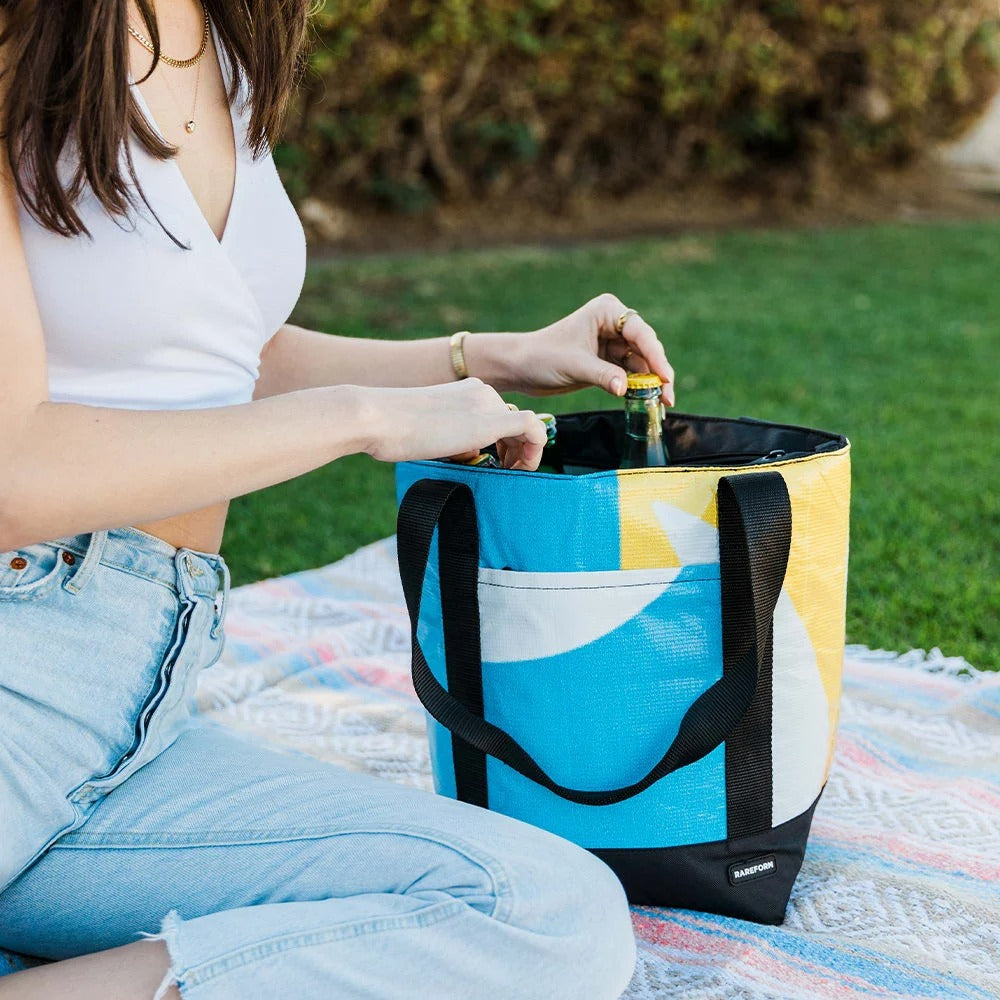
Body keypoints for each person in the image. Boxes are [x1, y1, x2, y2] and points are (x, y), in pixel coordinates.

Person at [0, 2, 675, 997]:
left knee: (544, 914)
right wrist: (365, 419)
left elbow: (220, 354)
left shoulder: (227, 38)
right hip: (19, 667)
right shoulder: (22, 41)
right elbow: (14, 473)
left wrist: (492, 357)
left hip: (137, 708)